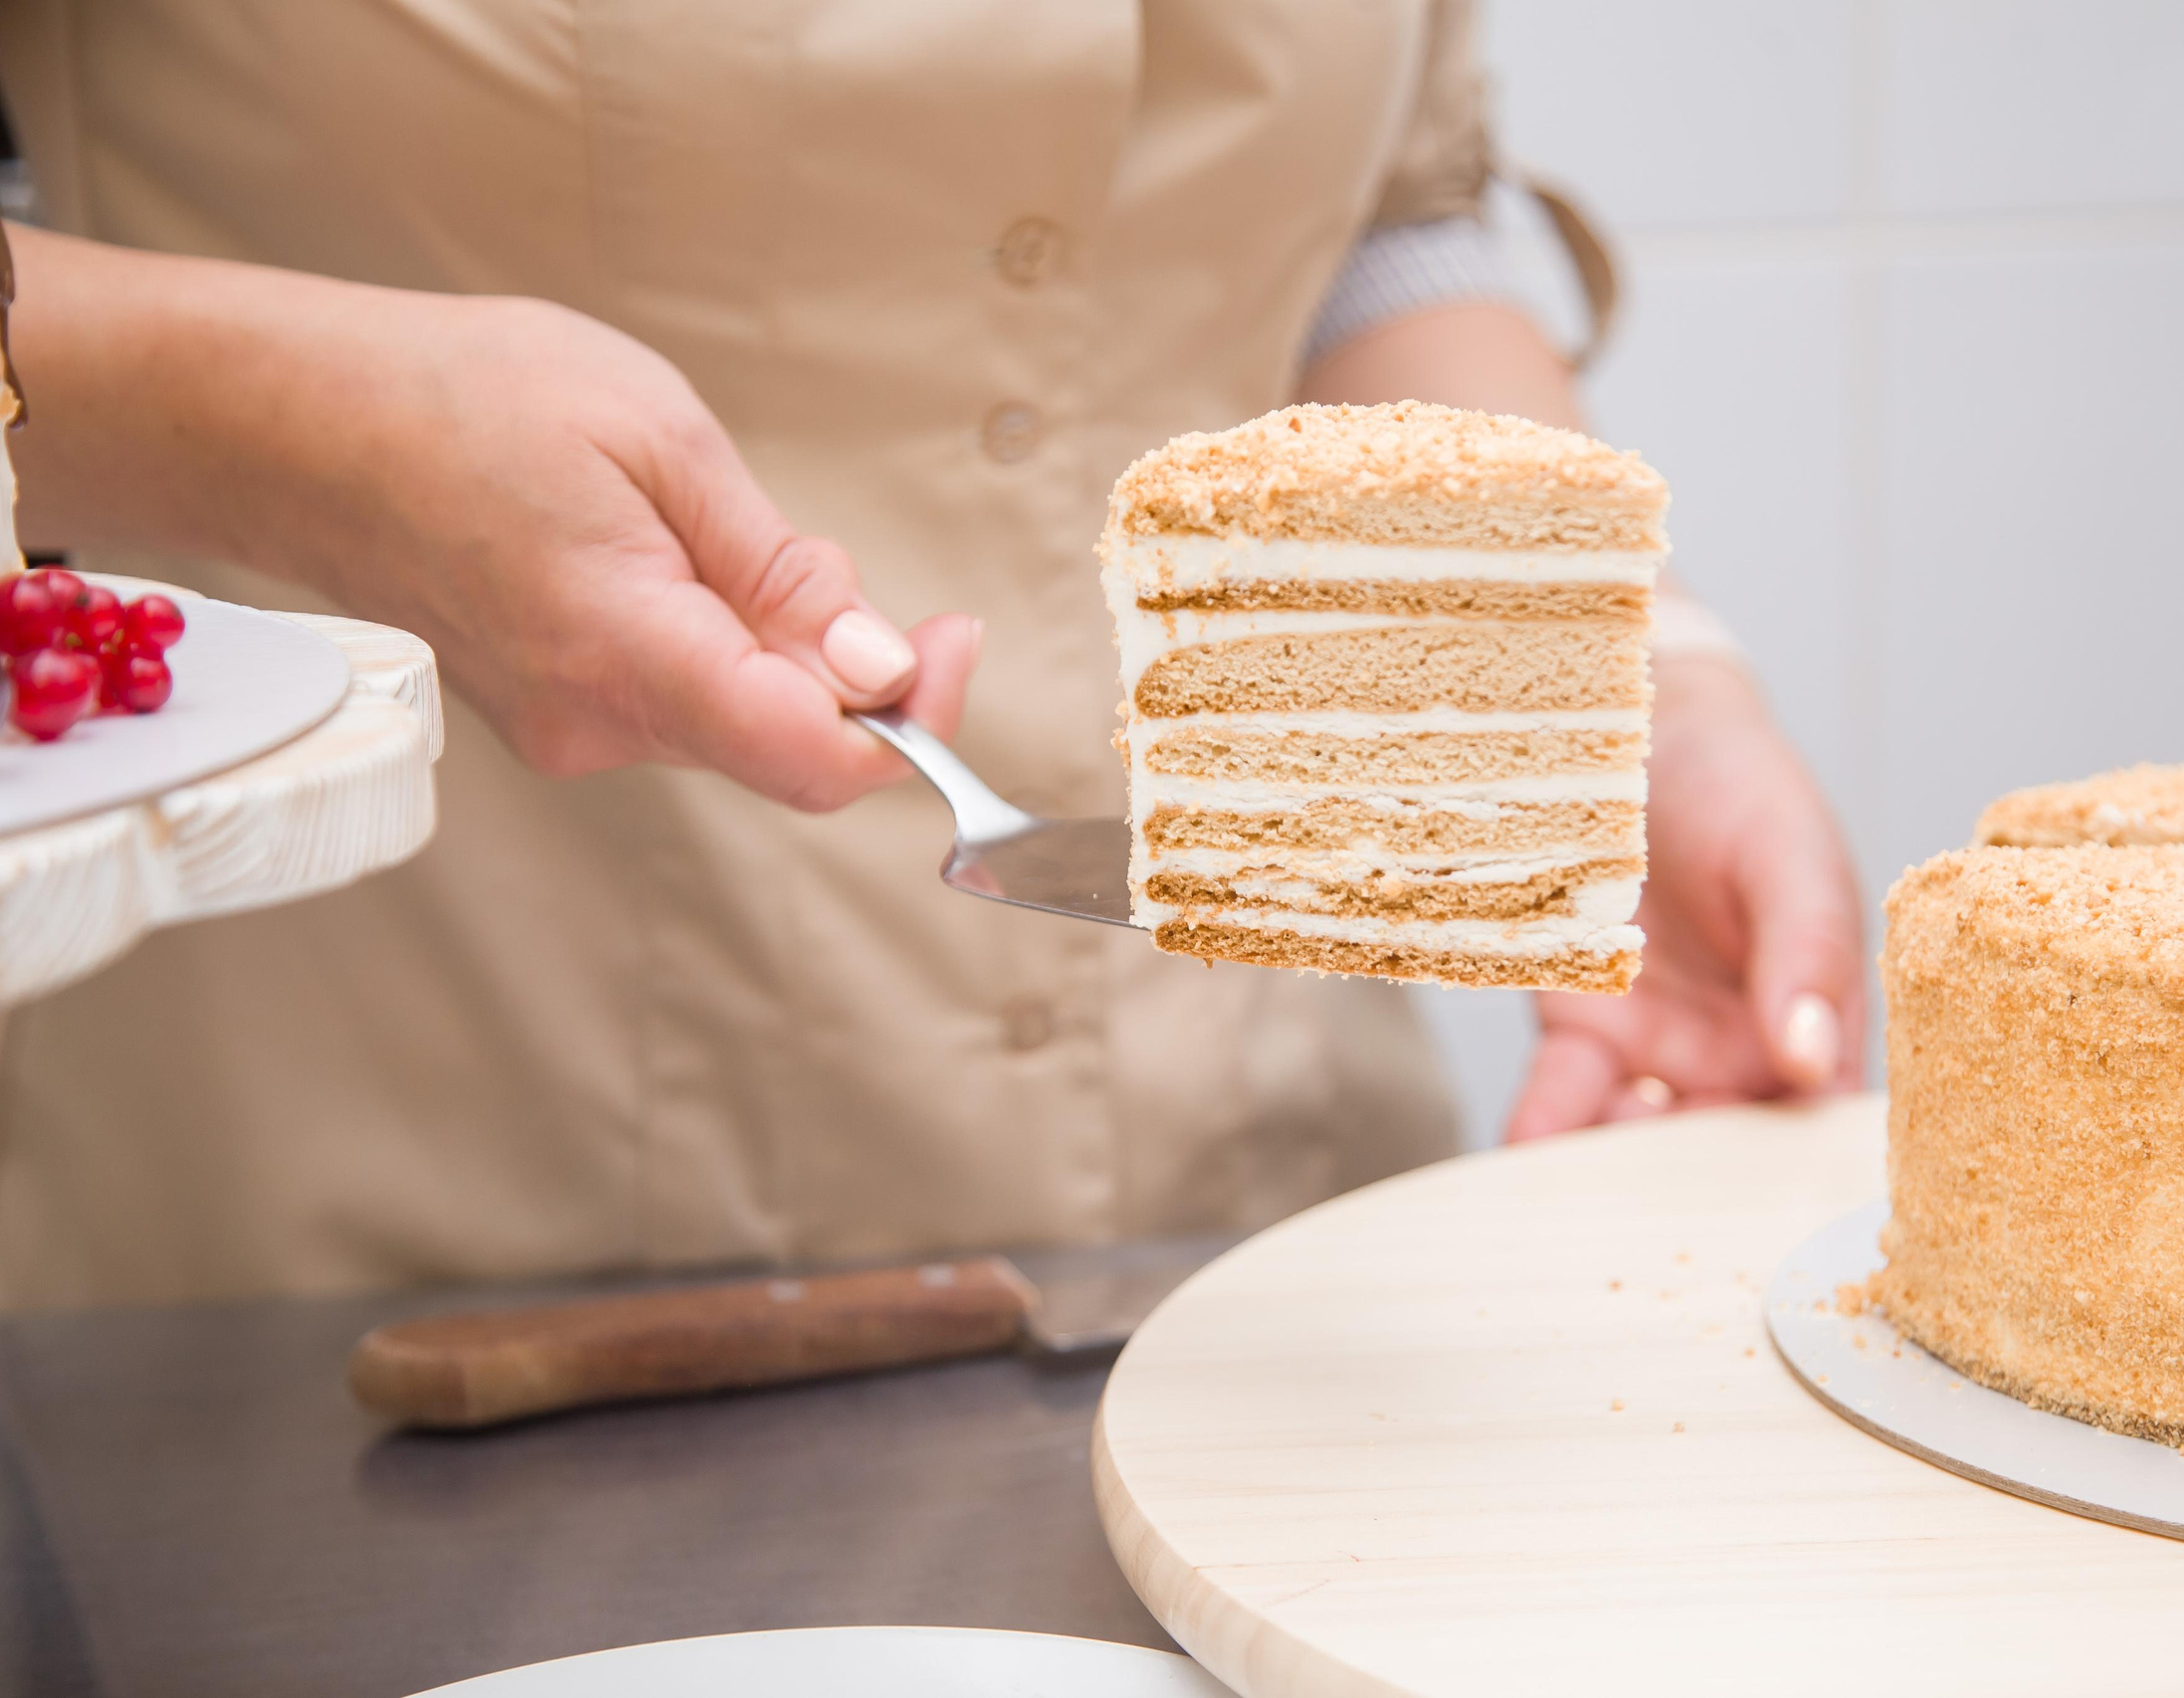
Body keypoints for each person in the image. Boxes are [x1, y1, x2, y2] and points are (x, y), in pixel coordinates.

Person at [0, 0, 1863, 1308]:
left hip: (1251, 1242)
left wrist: (1624, 687)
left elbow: (1385, 224)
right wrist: (309, 438)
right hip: (394, 1263)